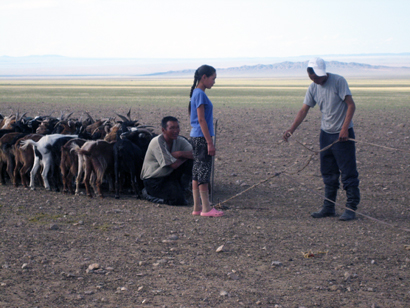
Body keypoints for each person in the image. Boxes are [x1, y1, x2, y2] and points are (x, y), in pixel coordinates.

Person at [283, 57, 360, 221]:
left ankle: (351, 208)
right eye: (313, 77)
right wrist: (291, 129)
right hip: (325, 134)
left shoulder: (339, 81)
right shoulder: (313, 87)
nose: (317, 80)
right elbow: (304, 110)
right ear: (309, 74)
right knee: (328, 172)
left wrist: (345, 128)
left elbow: (351, 105)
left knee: (348, 172)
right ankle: (329, 207)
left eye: (318, 77)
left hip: (343, 135)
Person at [189, 65, 224, 217]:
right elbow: (201, 119)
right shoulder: (200, 94)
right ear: (204, 77)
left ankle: (197, 207)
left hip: (195, 136)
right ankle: (207, 209)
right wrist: (210, 142)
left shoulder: (196, 93)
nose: (214, 82)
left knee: (196, 172)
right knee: (203, 172)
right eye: (213, 78)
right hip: (202, 138)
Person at [140, 116, 193, 205]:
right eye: (172, 128)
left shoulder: (179, 140)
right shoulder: (157, 142)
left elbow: (195, 154)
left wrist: (179, 153)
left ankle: (184, 188)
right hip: (155, 180)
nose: (176, 131)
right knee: (179, 201)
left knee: (191, 162)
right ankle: (149, 195)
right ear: (163, 130)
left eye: (177, 127)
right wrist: (184, 156)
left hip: (169, 175)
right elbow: (173, 165)